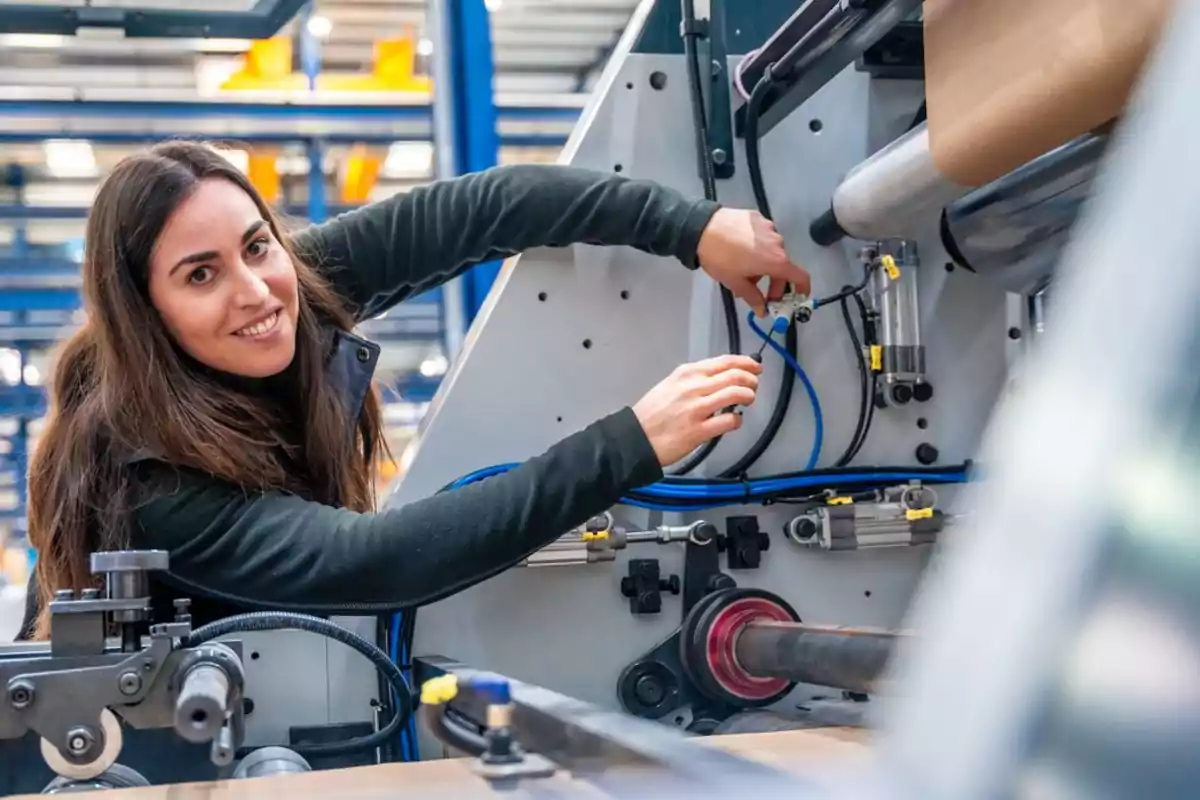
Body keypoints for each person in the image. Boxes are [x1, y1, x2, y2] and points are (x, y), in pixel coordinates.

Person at [16, 140, 811, 641]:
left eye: (257, 244)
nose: (255, 290)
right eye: (200, 275)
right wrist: (631, 441)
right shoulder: (145, 482)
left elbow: (475, 209)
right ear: (144, 313)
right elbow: (380, 561)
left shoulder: (293, 283)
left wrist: (690, 227)